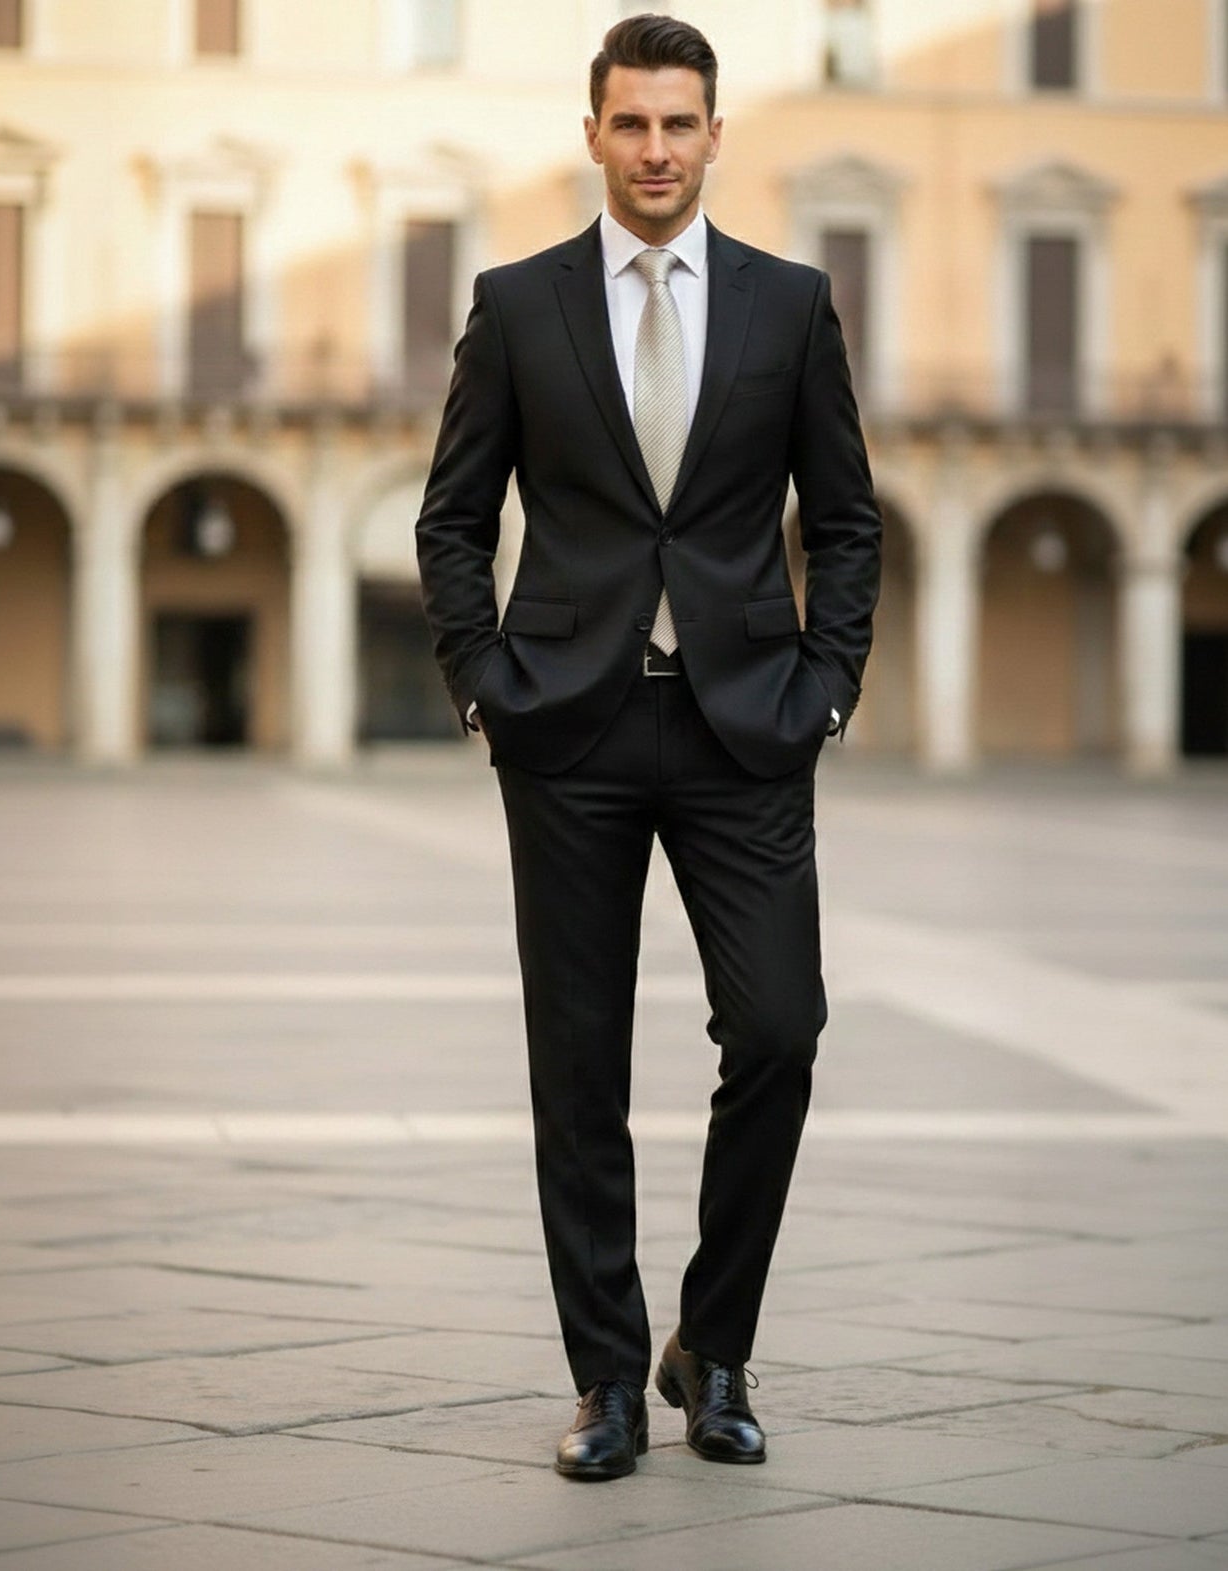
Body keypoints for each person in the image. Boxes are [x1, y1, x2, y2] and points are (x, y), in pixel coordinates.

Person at [416, 13, 881, 1481]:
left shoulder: (790, 305)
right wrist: (484, 684)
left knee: (781, 1031)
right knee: (577, 1065)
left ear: (715, 136)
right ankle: (608, 1381)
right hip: (571, 725)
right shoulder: (518, 304)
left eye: (680, 123)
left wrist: (825, 688)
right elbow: (451, 517)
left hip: (748, 726)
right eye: (632, 123)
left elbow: (846, 521)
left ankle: (714, 1347)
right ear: (593, 136)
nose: (657, 149)